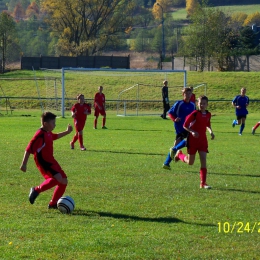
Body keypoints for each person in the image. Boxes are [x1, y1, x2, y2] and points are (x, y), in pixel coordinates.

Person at [20, 112, 73, 209]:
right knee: (58, 178)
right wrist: (24, 164)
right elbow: (28, 149)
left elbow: (55, 136)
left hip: (51, 160)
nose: (55, 125)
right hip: (43, 162)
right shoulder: (39, 135)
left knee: (64, 181)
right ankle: (36, 190)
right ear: (45, 124)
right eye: (53, 123)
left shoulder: (47, 132)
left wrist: (67, 132)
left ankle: (53, 204)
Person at [174, 95, 215, 189]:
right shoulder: (194, 114)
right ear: (197, 103)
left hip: (202, 141)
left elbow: (208, 125)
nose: (202, 105)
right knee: (190, 162)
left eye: (204, 103)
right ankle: (179, 154)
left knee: (203, 160)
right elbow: (185, 125)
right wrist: (192, 131)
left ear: (207, 104)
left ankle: (203, 183)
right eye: (200, 103)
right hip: (192, 141)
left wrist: (211, 132)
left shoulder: (208, 114)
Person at [162, 87, 196, 170]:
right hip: (180, 127)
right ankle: (177, 154)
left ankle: (167, 163)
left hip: (188, 128)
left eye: (189, 94)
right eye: (186, 94)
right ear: (183, 94)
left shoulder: (193, 105)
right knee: (181, 144)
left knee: (180, 144)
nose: (188, 95)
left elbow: (195, 116)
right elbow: (170, 113)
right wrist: (174, 119)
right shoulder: (179, 103)